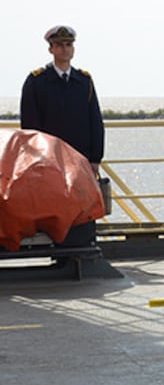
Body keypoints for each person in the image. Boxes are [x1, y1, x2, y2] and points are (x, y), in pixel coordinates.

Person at [20, 25, 105, 246]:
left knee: (81, 209)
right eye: (60, 45)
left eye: (69, 45)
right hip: (50, 160)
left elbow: (95, 121)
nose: (65, 50)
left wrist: (96, 158)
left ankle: (80, 248)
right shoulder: (37, 81)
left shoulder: (83, 81)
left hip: (80, 158)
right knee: (53, 208)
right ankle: (57, 250)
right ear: (51, 49)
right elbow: (29, 128)